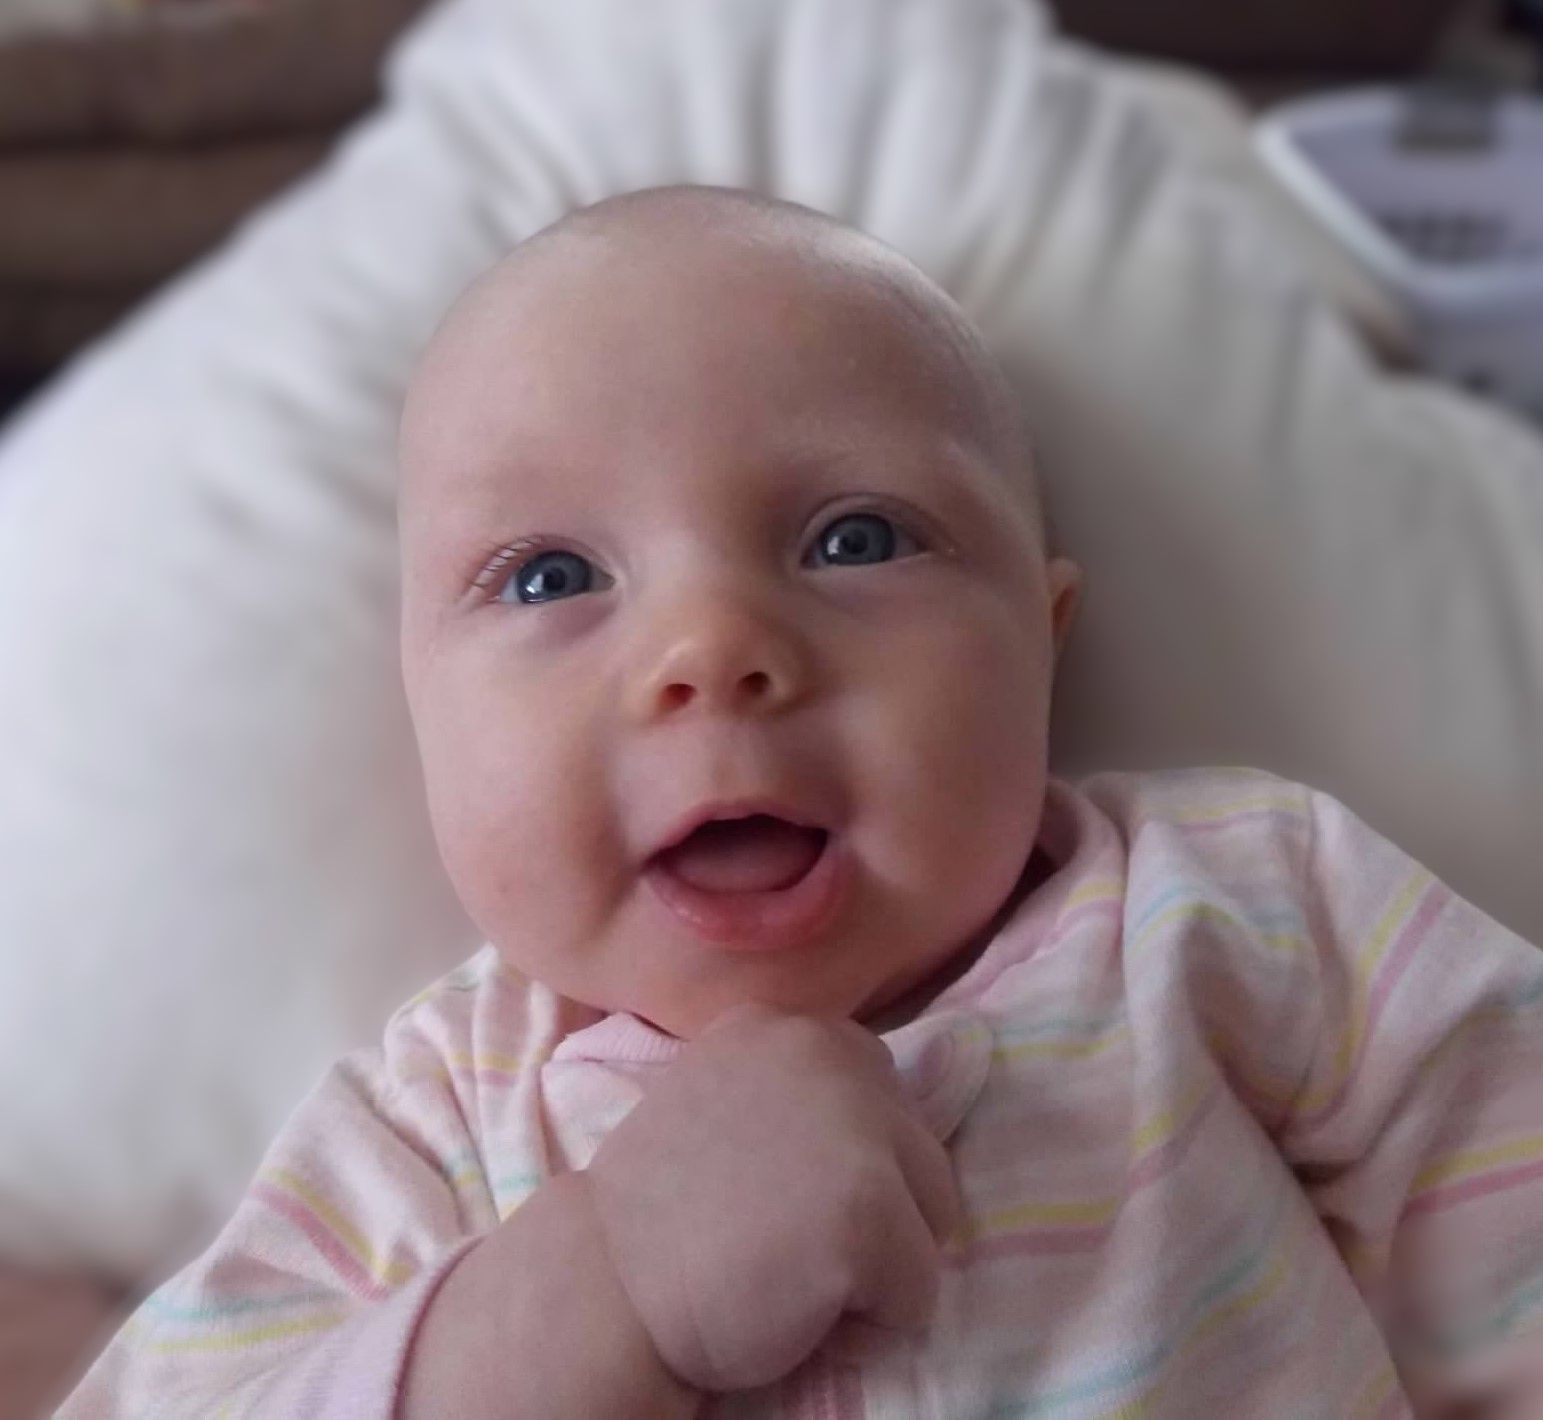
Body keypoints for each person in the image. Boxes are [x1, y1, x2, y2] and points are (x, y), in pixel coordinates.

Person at [59, 184, 1543, 1419]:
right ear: (420, 704)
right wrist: (593, 1284)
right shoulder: (436, 1121)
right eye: (552, 577)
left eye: (853, 539)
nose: (713, 652)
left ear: (1045, 638)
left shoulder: (1240, 908)